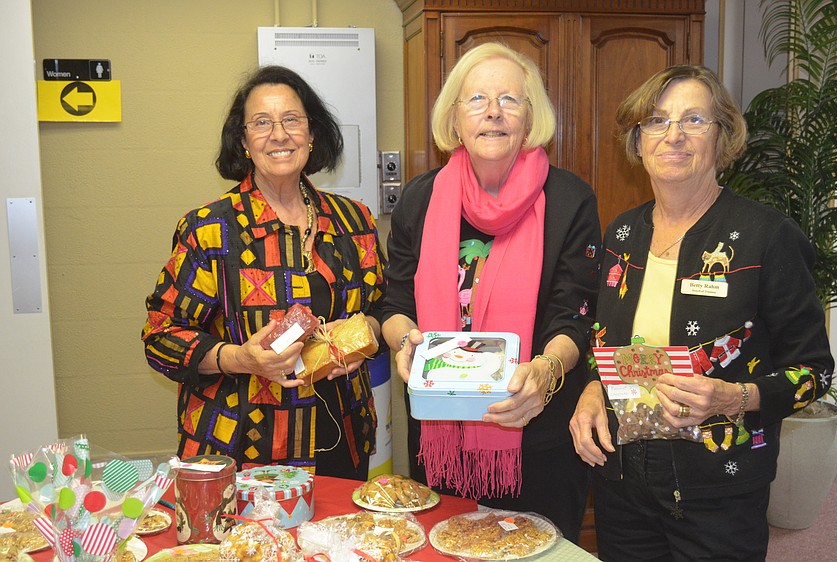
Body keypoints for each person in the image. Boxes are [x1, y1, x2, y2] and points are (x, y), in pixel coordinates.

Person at [569, 65, 835, 561]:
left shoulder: (767, 236)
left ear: (723, 136)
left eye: (694, 119)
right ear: (638, 139)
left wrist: (734, 397)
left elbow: (814, 371)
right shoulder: (621, 236)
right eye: (656, 121)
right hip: (622, 481)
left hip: (720, 489)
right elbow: (600, 340)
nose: (673, 135)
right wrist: (590, 387)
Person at [381, 42, 602, 541]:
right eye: (477, 99)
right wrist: (405, 344)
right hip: (441, 435)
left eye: (510, 99)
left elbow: (578, 313)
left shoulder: (569, 199)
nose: (494, 112)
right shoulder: (420, 197)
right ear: (455, 119)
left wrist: (545, 370)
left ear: (531, 119)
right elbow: (394, 304)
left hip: (537, 436)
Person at [142, 65, 386, 480]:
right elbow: (161, 337)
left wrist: (362, 341)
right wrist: (241, 358)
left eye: (292, 120)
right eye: (261, 123)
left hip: (342, 438)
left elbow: (385, 309)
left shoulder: (353, 220)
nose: (279, 134)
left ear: (312, 133)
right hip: (241, 448)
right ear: (243, 141)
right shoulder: (210, 229)